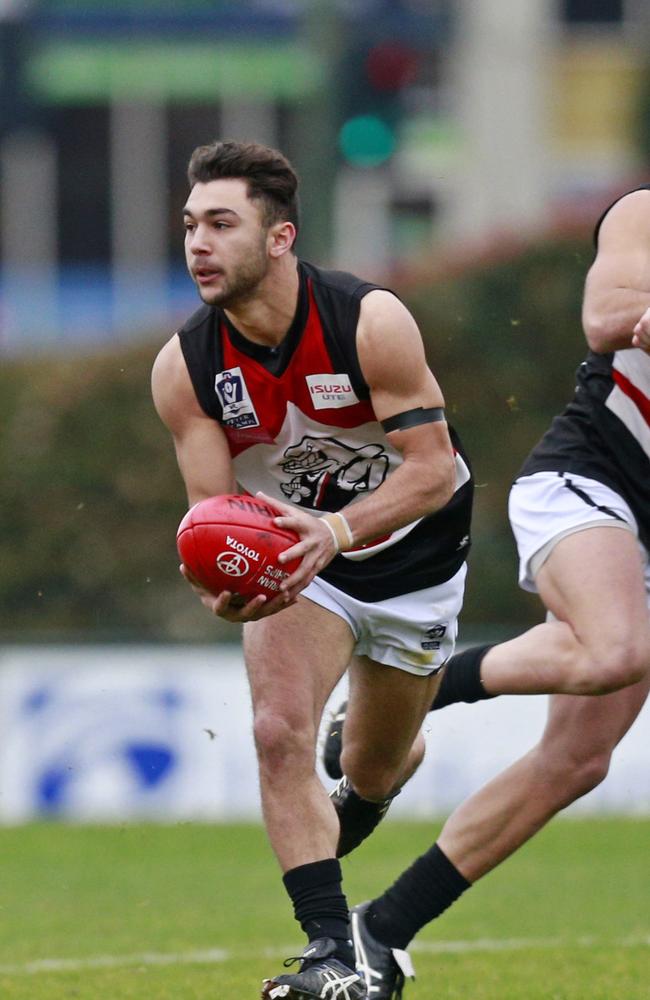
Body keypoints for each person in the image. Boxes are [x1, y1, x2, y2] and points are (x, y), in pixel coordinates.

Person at [151, 139, 476, 999]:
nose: (198, 244)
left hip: (415, 559)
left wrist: (336, 529)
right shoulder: (184, 368)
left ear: (282, 237)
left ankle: (369, 783)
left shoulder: (369, 320)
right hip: (304, 566)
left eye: (222, 223)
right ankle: (334, 952)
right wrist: (220, 587)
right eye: (190, 226)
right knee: (274, 732)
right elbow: (210, 520)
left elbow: (433, 471)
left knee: (371, 771)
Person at [325, 185, 650, 997]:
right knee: (614, 649)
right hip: (588, 483)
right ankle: (417, 694)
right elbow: (609, 320)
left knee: (578, 760)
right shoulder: (642, 212)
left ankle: (383, 930)